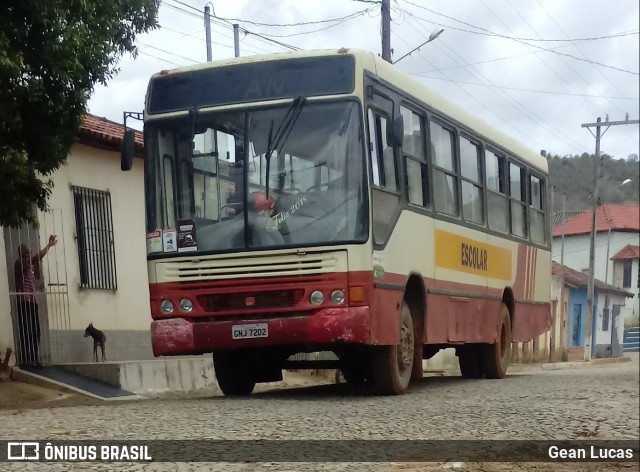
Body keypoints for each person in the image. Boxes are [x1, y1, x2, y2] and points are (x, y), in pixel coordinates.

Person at [14, 235, 57, 366]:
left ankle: (34, 356)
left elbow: (37, 276)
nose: (27, 255)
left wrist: (37, 263)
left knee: (36, 330)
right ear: (20, 254)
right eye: (24, 253)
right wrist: (48, 246)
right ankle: (26, 358)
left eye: (28, 252)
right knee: (26, 329)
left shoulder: (30, 266)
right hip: (24, 300)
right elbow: (34, 259)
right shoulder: (19, 263)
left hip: (33, 301)